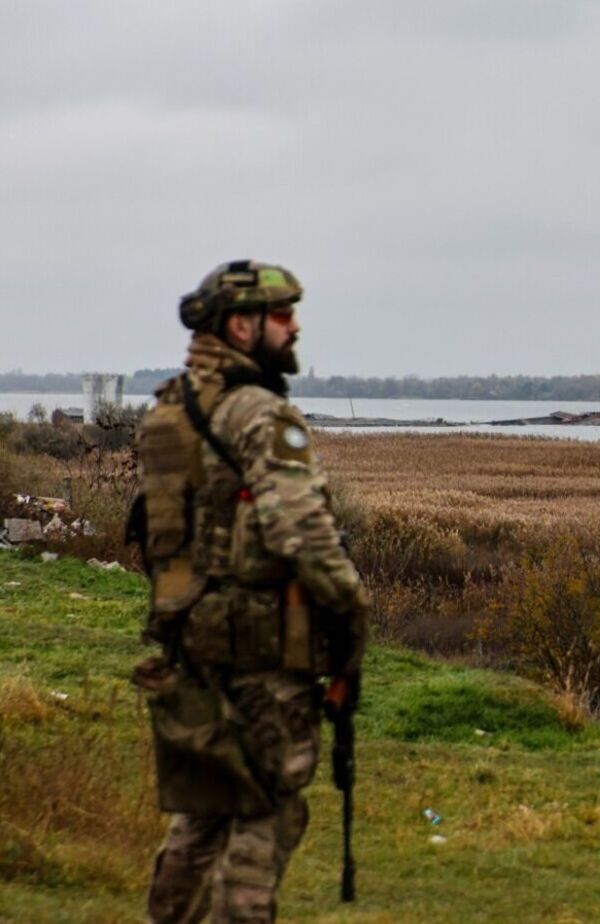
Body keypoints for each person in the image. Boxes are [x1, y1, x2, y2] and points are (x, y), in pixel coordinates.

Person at [133, 260, 368, 923]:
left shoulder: (169, 410)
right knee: (268, 812)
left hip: (189, 648)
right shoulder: (259, 412)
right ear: (242, 325)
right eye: (283, 315)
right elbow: (302, 532)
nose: (294, 328)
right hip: (264, 658)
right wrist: (350, 616)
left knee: (203, 816)